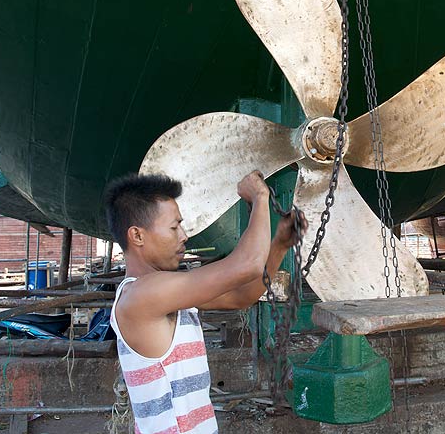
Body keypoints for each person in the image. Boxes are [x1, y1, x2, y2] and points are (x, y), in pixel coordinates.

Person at [104, 170, 305, 434]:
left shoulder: (168, 292)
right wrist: (259, 196)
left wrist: (278, 245)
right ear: (137, 236)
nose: (184, 235)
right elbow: (247, 265)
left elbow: (240, 296)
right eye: (174, 227)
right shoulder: (140, 296)